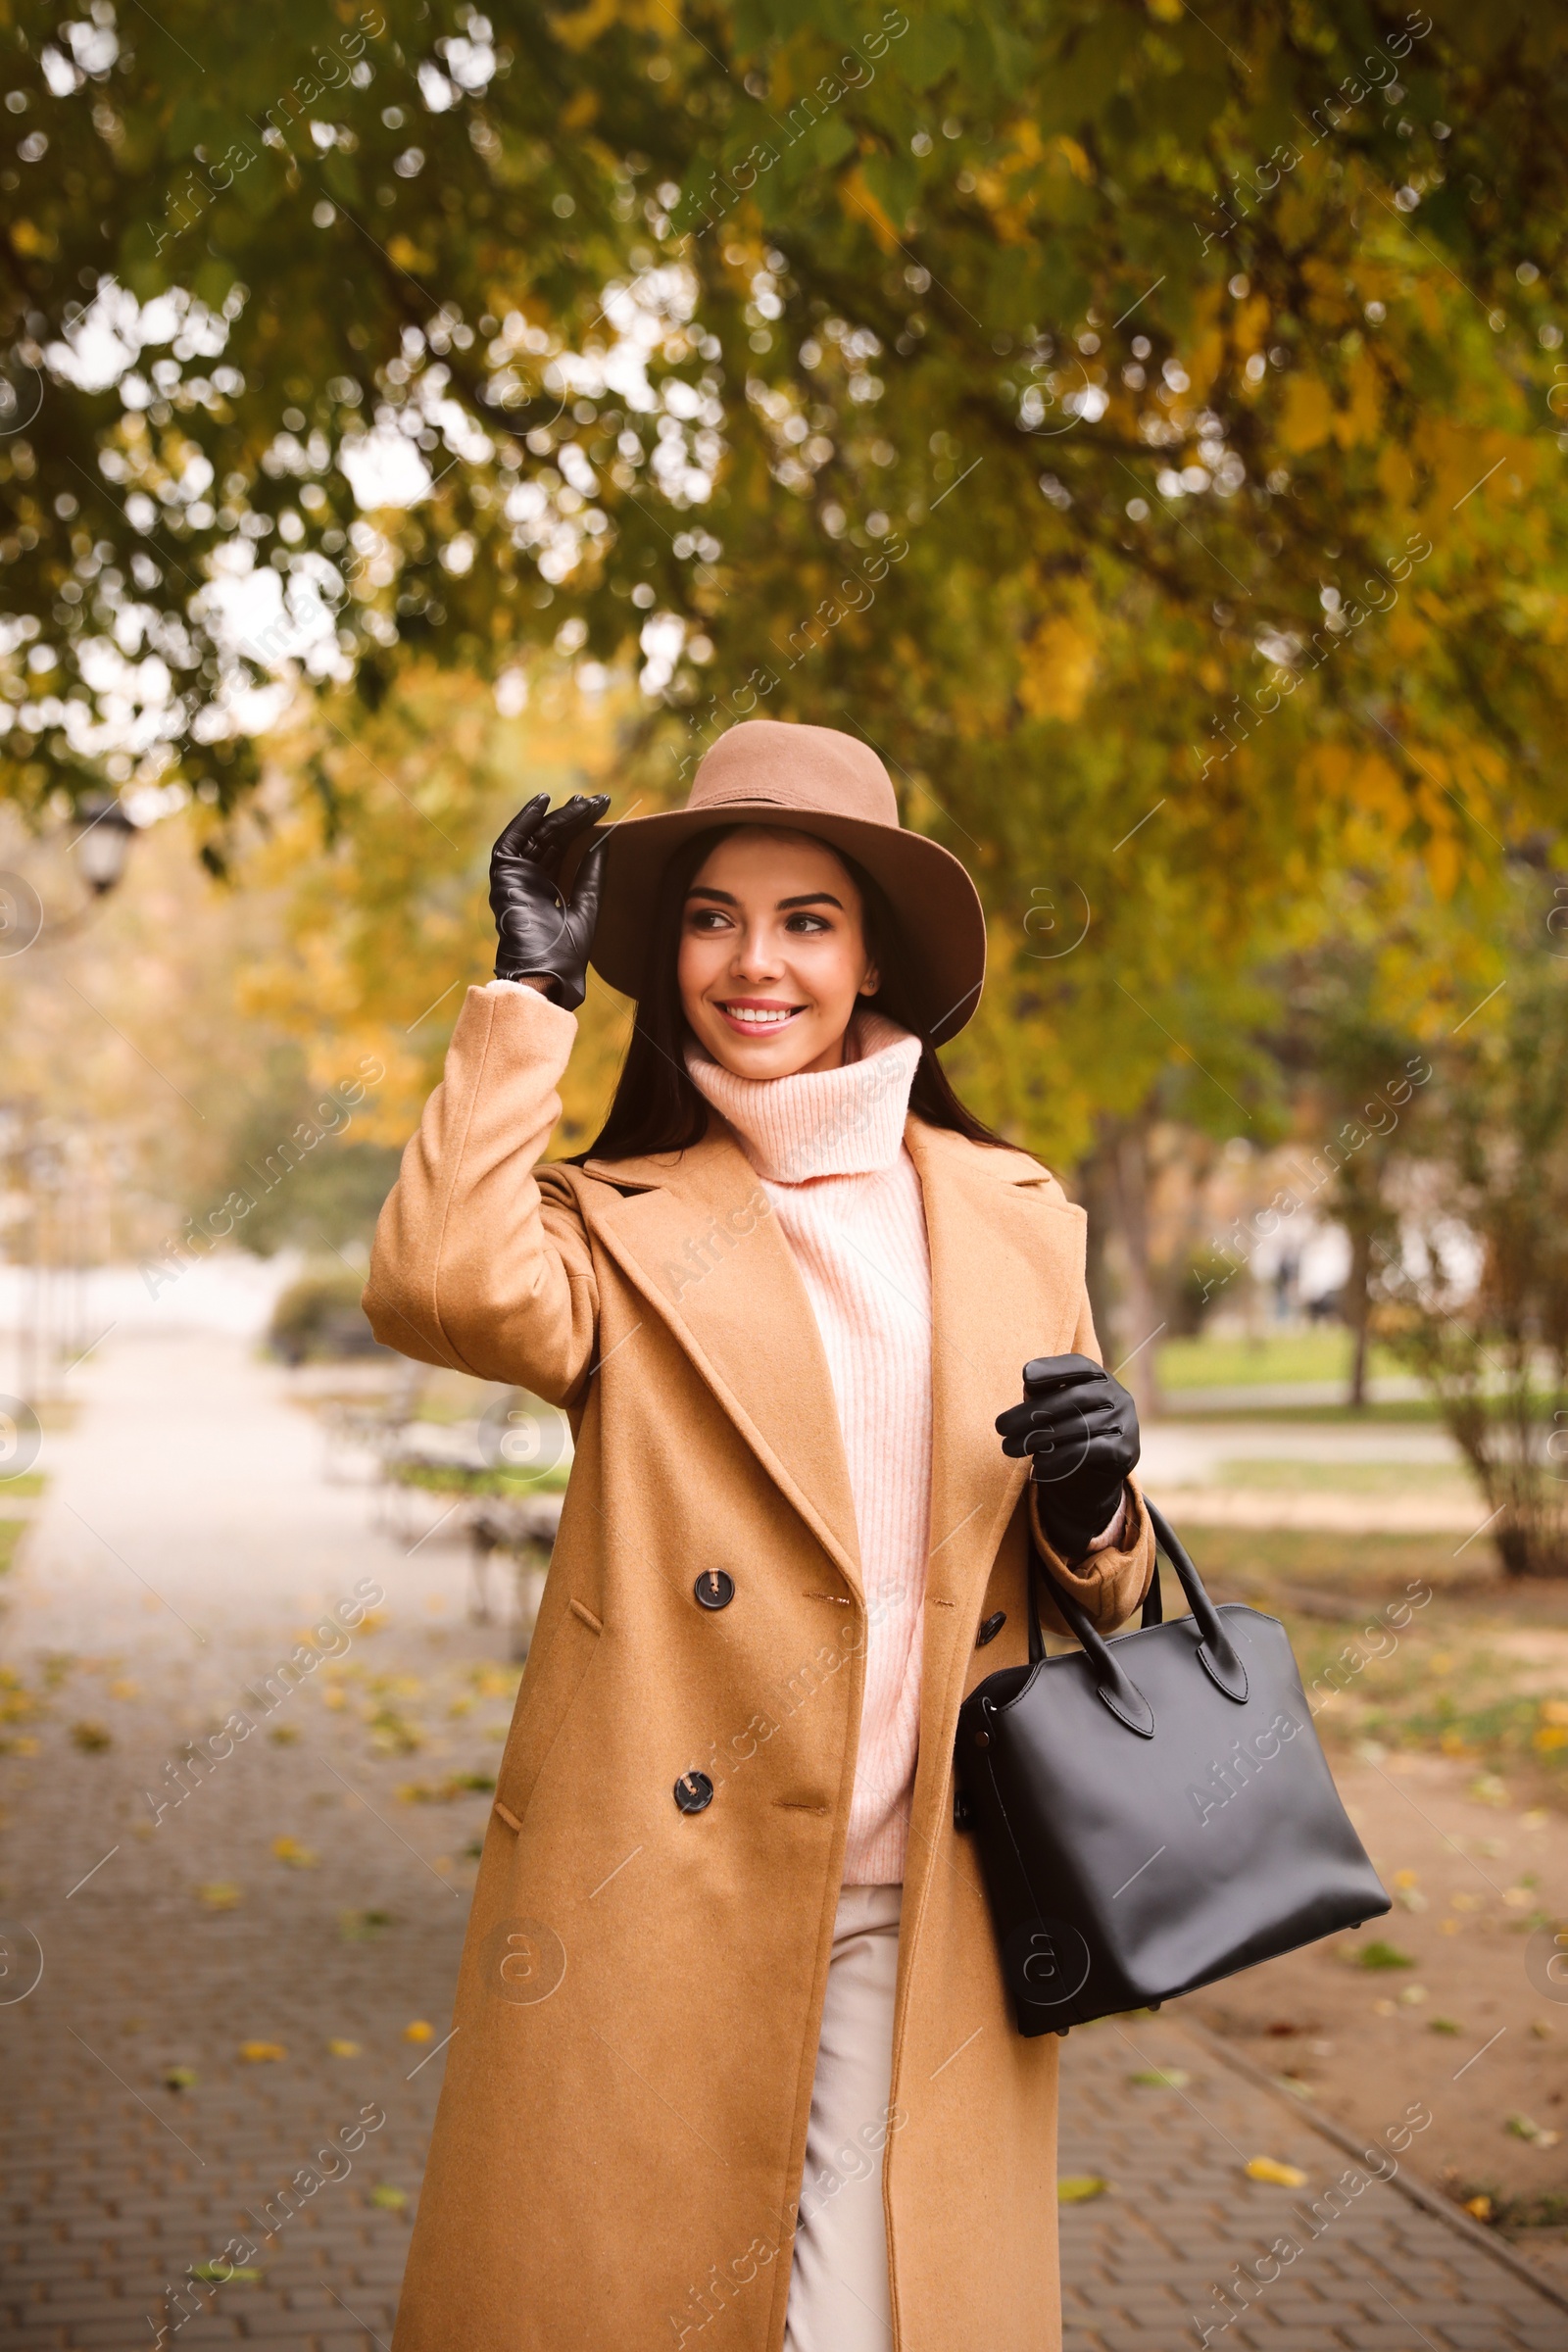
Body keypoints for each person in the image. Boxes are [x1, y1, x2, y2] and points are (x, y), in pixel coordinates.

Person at [364, 719, 1153, 2352]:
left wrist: (1094, 1501)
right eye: (716, 916)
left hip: (932, 1890)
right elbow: (435, 1282)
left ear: (870, 958)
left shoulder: (1015, 1214)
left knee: (877, 2324)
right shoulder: (609, 1220)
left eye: (807, 919)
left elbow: (1099, 1580)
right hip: (671, 1889)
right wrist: (530, 1005)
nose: (757, 961)